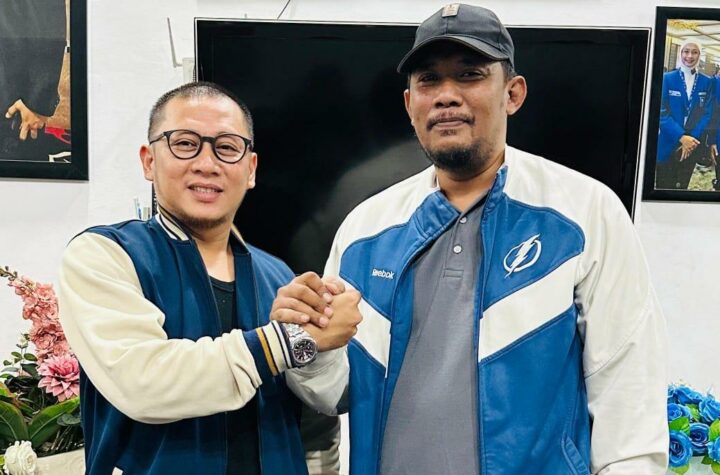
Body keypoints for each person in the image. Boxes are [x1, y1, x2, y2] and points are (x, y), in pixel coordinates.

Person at [282, 4, 668, 474]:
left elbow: (628, 387)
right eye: (429, 80)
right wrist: (308, 346)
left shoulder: (584, 212)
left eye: (469, 74)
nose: (447, 96)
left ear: (513, 93)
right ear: (409, 104)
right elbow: (334, 393)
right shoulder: (366, 228)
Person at [58, 82, 362, 475]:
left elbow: (327, 403)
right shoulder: (105, 255)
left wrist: (322, 348)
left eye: (227, 147)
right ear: (149, 161)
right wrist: (286, 341)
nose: (207, 163)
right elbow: (143, 384)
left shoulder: (278, 276)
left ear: (250, 169)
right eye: (185, 143)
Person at [656, 40, 714, 190]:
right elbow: (661, 112)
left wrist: (691, 139)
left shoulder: (707, 82)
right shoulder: (667, 78)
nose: (689, 56)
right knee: (664, 185)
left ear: (699, 55)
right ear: (680, 53)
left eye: (694, 52)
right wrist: (681, 137)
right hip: (668, 141)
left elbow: (707, 113)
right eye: (686, 51)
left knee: (682, 185)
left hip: (693, 145)